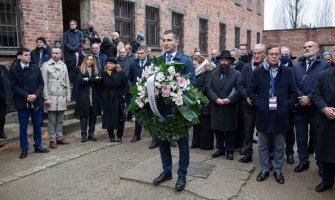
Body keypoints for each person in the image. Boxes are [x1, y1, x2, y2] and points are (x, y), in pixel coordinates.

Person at [152, 30, 195, 192]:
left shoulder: (185, 61)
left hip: (179, 110)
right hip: (161, 110)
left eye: (169, 40)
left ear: (177, 42)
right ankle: (167, 171)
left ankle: (182, 175)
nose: (166, 43)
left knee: (182, 143)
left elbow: (192, 86)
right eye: (163, 40)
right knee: (163, 142)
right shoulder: (157, 61)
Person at [248, 44, 298, 184]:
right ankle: (264, 169)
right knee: (263, 145)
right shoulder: (258, 72)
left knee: (279, 145)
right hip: (264, 114)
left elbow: (294, 92)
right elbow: (251, 91)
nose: (274, 56)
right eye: (271, 54)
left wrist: (286, 106)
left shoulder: (287, 72)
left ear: (280, 55)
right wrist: (259, 105)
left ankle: (277, 169)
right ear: (266, 55)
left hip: (281, 115)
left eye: (277, 54)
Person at [292, 41, 330, 173]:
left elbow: (322, 87)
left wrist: (309, 97)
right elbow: (293, 85)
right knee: (301, 137)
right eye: (305, 47)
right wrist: (301, 97)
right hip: (300, 108)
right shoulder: (296, 67)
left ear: (317, 49)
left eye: (310, 46)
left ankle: (321, 164)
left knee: (318, 138)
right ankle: (303, 161)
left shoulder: (325, 65)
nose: (307, 48)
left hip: (316, 109)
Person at [9, 48, 49, 159]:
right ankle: (24, 149)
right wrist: (26, 95)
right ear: (19, 56)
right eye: (26, 55)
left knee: (37, 125)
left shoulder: (36, 68)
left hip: (35, 101)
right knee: (23, 127)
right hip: (22, 102)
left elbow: (41, 84)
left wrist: (35, 95)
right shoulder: (13, 69)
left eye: (29, 55)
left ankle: (38, 145)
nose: (29, 56)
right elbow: (13, 86)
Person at [208, 50, 240, 160]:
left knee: (230, 130)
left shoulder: (236, 74)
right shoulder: (213, 73)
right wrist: (216, 99)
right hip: (216, 105)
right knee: (218, 129)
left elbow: (238, 90)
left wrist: (229, 99)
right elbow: (209, 88)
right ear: (219, 61)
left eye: (226, 60)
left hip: (229, 107)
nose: (224, 62)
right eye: (222, 60)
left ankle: (229, 151)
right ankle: (220, 149)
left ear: (230, 61)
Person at [237, 43, 266, 163]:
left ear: (264, 54)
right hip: (248, 106)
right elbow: (240, 84)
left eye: (259, 53)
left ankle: (267, 156)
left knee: (264, 132)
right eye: (255, 53)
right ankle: (247, 153)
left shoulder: (268, 67)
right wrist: (246, 96)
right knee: (248, 131)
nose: (257, 55)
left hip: (263, 106)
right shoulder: (247, 67)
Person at [41, 47, 71, 149]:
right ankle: (52, 140)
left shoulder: (64, 65)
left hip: (61, 96)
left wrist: (68, 95)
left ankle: (59, 138)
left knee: (60, 120)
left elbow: (67, 81)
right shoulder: (46, 66)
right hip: (51, 96)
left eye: (57, 53)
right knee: (52, 120)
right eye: (53, 53)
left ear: (60, 54)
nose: (54, 55)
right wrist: (46, 98)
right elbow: (44, 83)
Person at [312, 67, 335, 192]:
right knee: (327, 153)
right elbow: (316, 94)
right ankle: (327, 180)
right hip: (327, 121)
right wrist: (324, 108)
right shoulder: (323, 75)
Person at [74, 54, 101, 143]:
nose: (89, 61)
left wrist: (88, 80)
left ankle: (91, 134)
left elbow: (99, 82)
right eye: (88, 59)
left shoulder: (96, 70)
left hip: (94, 97)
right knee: (84, 117)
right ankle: (84, 135)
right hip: (83, 97)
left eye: (91, 60)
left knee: (93, 116)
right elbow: (80, 81)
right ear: (85, 60)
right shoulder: (80, 69)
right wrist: (92, 80)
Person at [101, 57, 128, 142]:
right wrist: (103, 96)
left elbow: (126, 86)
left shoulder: (121, 73)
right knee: (109, 117)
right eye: (107, 63)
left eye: (110, 63)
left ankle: (119, 135)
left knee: (119, 117)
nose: (108, 65)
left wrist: (124, 95)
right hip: (108, 97)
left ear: (115, 64)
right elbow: (102, 86)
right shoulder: (104, 74)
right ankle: (111, 136)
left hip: (118, 97)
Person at [191, 55, 215, 150]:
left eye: (195, 64)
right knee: (196, 124)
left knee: (205, 125)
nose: (193, 66)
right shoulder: (196, 73)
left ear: (201, 64)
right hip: (197, 102)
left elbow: (206, 88)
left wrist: (196, 94)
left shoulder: (208, 73)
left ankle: (205, 145)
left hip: (205, 103)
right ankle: (196, 142)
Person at [129, 46, 152, 143]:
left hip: (149, 92)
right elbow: (130, 77)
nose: (140, 55)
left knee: (151, 113)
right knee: (138, 114)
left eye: (142, 53)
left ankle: (154, 137)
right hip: (138, 92)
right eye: (138, 53)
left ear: (146, 53)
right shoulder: (133, 63)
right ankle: (137, 134)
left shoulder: (151, 62)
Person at [280, 46, 296, 165]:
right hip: (275, 105)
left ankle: (289, 153)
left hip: (288, 106)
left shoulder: (294, 68)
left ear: (290, 55)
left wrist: (289, 103)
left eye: (286, 54)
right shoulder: (275, 67)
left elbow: (295, 88)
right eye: (282, 54)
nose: (284, 56)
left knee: (290, 131)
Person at [0, 64, 13, 139]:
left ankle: (1, 131)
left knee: (2, 116)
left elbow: (8, 81)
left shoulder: (3, 68)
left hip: (2, 98)